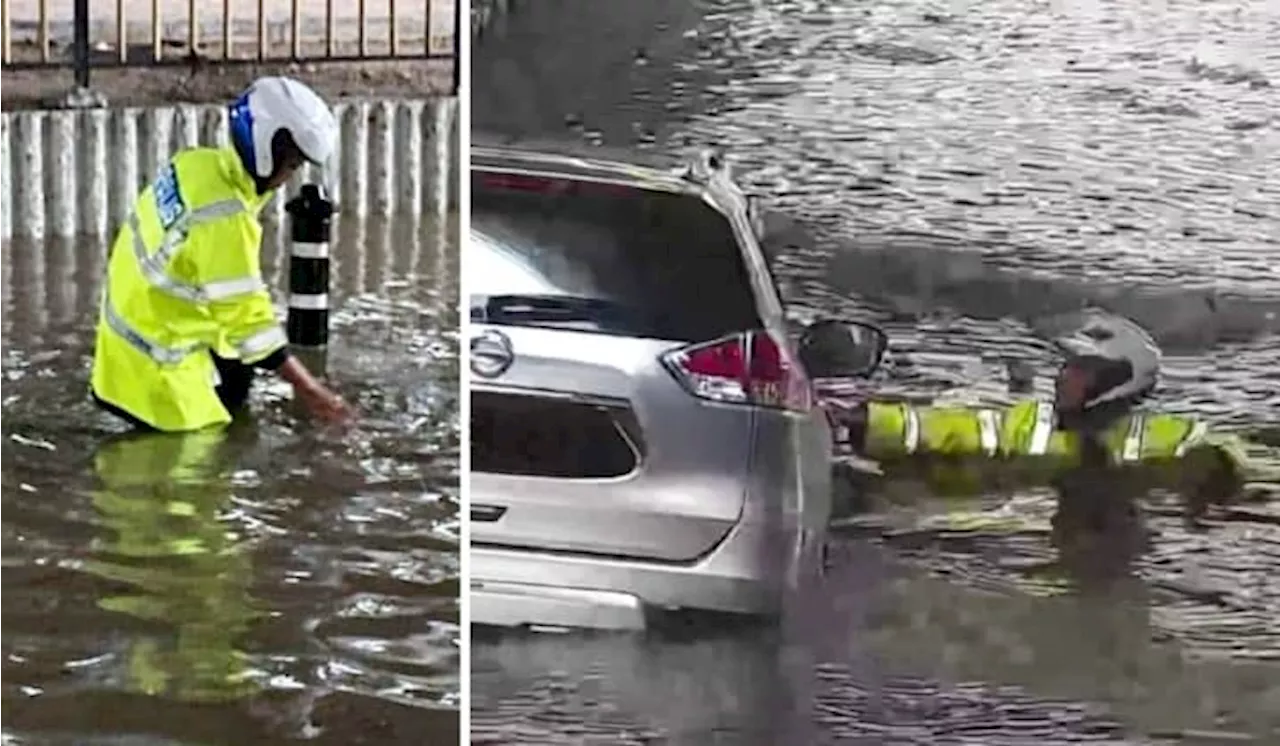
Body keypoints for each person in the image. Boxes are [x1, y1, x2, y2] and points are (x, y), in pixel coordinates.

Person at [821, 311, 1272, 525]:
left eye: (1078, 370)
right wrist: (865, 421)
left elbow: (1229, 450)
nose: (1063, 378)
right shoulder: (1030, 421)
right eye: (1065, 367)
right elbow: (956, 427)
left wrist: (1224, 465)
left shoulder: (1161, 434)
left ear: (1114, 382)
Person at [90, 76, 352, 433]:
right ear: (266, 148)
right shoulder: (225, 217)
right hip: (156, 380)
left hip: (121, 343)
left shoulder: (198, 164)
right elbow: (250, 322)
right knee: (205, 470)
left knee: (238, 369)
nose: (288, 176)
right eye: (291, 164)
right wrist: (313, 391)